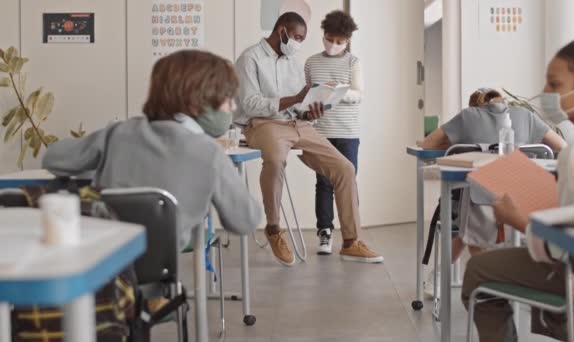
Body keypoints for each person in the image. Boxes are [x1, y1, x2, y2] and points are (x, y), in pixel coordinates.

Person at [462, 7, 574, 341]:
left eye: (554, 84)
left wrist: (519, 220)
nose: (544, 91)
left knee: (478, 271)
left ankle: (569, 325)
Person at [42, 50, 262, 251]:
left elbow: (53, 159)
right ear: (199, 102)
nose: (233, 108)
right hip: (160, 266)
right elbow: (245, 221)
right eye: (227, 100)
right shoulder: (210, 154)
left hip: (107, 261)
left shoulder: (118, 133)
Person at [234, 12, 383, 266]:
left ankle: (350, 242)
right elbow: (249, 104)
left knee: (345, 168)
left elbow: (300, 102)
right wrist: (294, 100)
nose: (299, 43)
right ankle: (273, 228)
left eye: (302, 39)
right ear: (281, 30)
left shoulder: (292, 59)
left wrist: (311, 109)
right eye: (297, 37)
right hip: (263, 123)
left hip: (298, 123)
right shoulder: (250, 58)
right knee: (275, 160)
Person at [418, 88, 566, 297]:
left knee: (466, 227)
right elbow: (561, 146)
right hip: (523, 202)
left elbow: (426, 144)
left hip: (480, 203)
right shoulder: (526, 115)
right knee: (468, 229)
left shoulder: (468, 116)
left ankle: (446, 278)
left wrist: (454, 143)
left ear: (478, 106)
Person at [304, 10, 362, 255]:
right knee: (323, 183)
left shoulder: (353, 62)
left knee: (347, 181)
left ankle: (352, 237)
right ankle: (324, 233)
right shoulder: (311, 62)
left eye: (339, 42)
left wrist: (337, 91)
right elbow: (305, 95)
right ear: (323, 35)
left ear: (347, 41)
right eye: (329, 39)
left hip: (347, 131)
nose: (333, 45)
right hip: (320, 131)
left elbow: (358, 95)